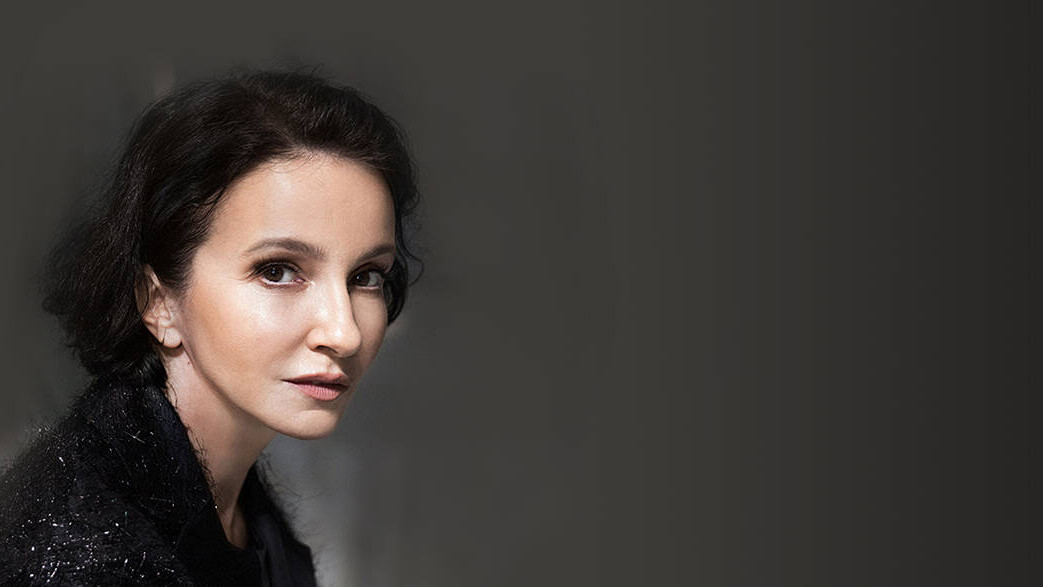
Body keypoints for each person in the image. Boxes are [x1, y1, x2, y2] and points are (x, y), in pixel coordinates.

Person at [0, 69, 420, 584]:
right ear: (158, 302)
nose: (344, 333)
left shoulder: (241, 513)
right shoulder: (87, 550)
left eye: (366, 276)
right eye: (277, 271)